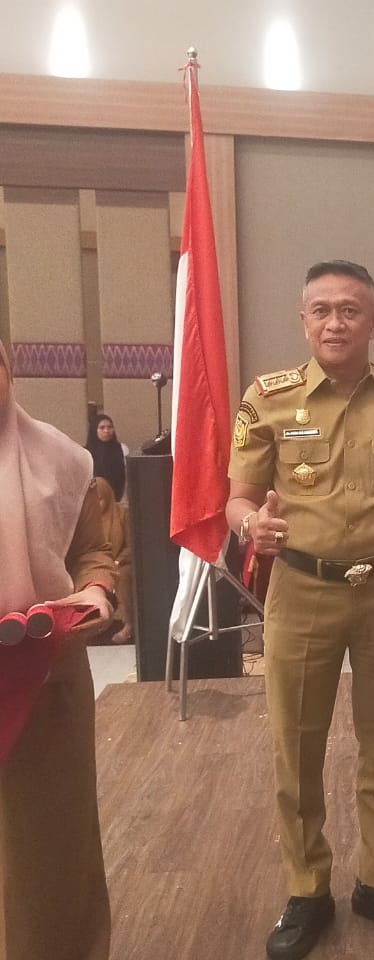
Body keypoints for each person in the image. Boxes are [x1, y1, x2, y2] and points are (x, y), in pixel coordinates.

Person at [224, 260, 374, 960]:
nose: (335, 322)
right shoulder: (269, 398)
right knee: (296, 748)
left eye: (350, 310)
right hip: (302, 590)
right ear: (304, 320)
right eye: (322, 310)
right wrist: (250, 525)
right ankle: (306, 888)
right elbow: (238, 498)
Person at [0, 340, 116, 960]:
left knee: (53, 838)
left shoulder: (62, 459)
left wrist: (95, 589)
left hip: (44, 669)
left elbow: (92, 551)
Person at [89, 476, 134, 645]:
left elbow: (132, 546)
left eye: (100, 500)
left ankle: (129, 624)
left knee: (123, 576)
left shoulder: (122, 514)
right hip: (98, 564)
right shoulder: (89, 520)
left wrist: (117, 561)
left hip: (121, 563)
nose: (97, 505)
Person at [86, 412, 127, 501]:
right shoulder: (85, 453)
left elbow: (126, 476)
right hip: (94, 500)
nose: (106, 431)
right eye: (102, 428)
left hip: (117, 499)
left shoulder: (122, 449)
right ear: (94, 430)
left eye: (110, 427)